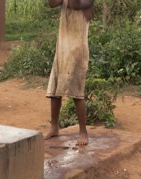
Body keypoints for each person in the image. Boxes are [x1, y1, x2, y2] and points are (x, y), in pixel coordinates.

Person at [45, 0, 94, 145]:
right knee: (55, 90)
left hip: (77, 49)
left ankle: (83, 132)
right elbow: (52, 3)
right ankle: (54, 127)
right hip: (62, 47)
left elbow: (75, 4)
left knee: (77, 92)